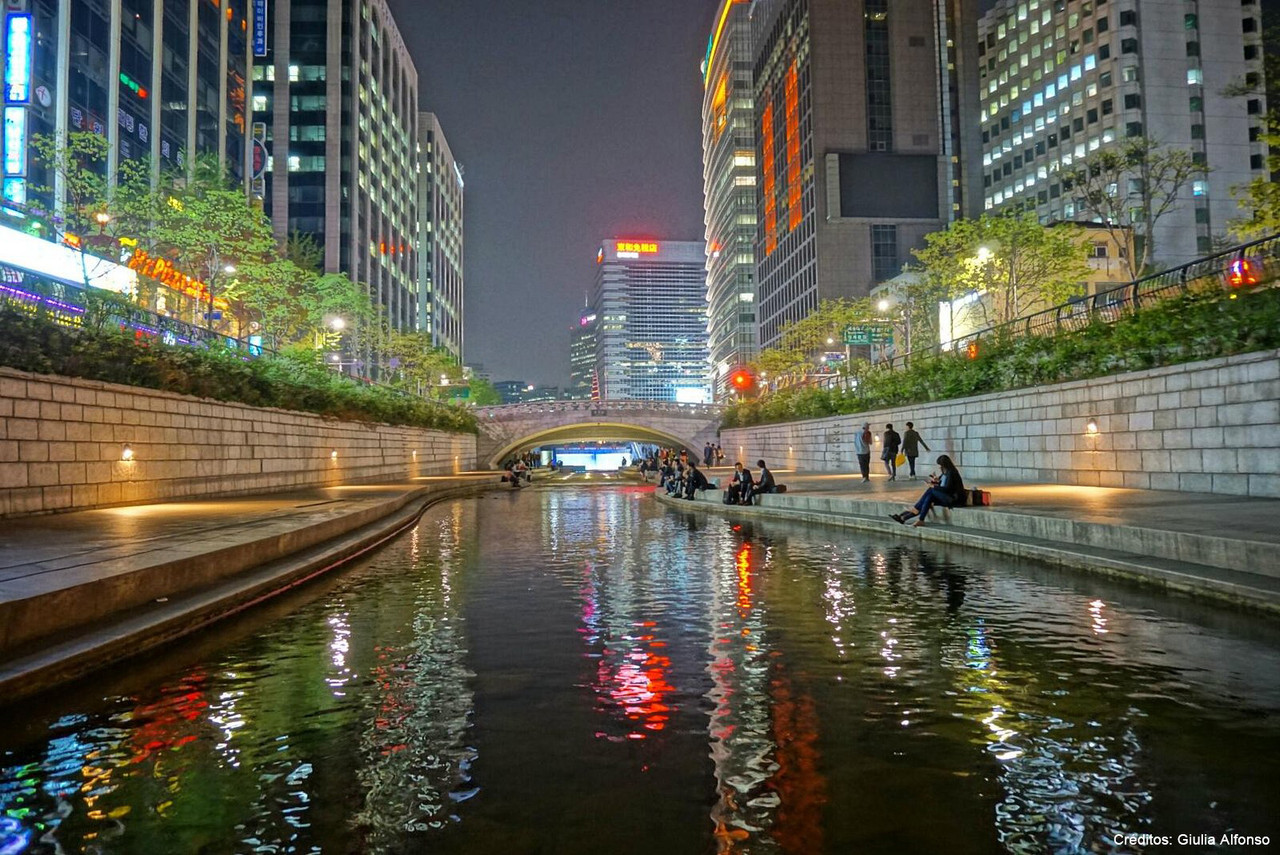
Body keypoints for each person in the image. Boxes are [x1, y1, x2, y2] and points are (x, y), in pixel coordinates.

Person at [891, 455, 965, 527]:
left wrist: (933, 486)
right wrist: (936, 481)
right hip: (945, 496)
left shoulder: (951, 473)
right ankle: (907, 518)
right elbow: (942, 484)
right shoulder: (945, 473)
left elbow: (947, 489)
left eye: (940, 465)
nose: (939, 467)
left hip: (952, 499)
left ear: (944, 465)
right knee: (928, 498)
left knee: (931, 490)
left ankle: (914, 510)